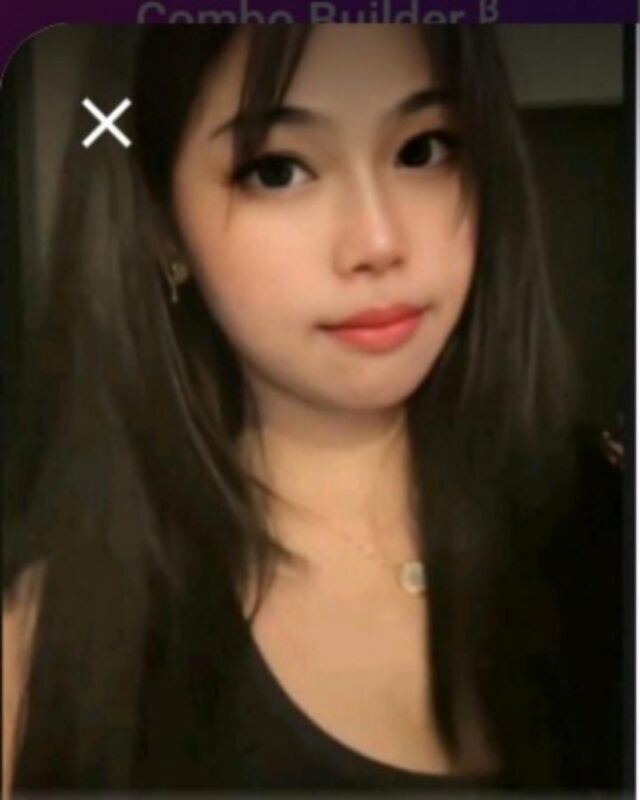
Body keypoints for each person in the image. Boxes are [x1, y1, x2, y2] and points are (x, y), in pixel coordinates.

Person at [3, 23, 626, 794]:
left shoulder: (604, 520)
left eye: (424, 150)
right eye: (278, 170)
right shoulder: (46, 652)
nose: (378, 241)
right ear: (163, 227)